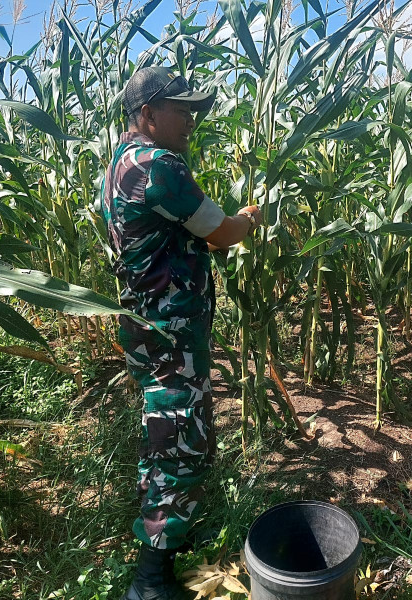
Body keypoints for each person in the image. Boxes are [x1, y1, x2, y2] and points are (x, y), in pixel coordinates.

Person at [101, 66, 262, 600]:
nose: (191, 119)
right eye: (180, 109)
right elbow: (222, 233)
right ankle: (150, 580)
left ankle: (168, 540)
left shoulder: (119, 164)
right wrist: (248, 219)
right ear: (147, 114)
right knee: (179, 446)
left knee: (163, 434)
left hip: (146, 325)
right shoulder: (159, 165)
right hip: (170, 331)